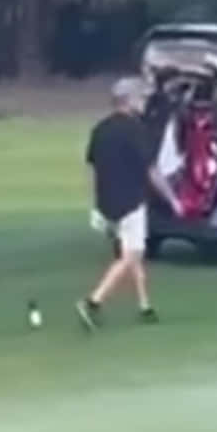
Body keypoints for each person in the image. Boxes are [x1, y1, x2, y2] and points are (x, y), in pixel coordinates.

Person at [78, 76, 174, 329]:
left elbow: (91, 166)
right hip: (131, 201)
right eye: (141, 98)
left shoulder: (100, 129)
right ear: (129, 100)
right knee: (131, 255)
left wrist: (95, 202)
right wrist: (172, 200)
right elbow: (151, 170)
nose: (144, 103)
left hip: (106, 202)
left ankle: (145, 306)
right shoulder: (135, 130)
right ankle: (93, 302)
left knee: (133, 251)